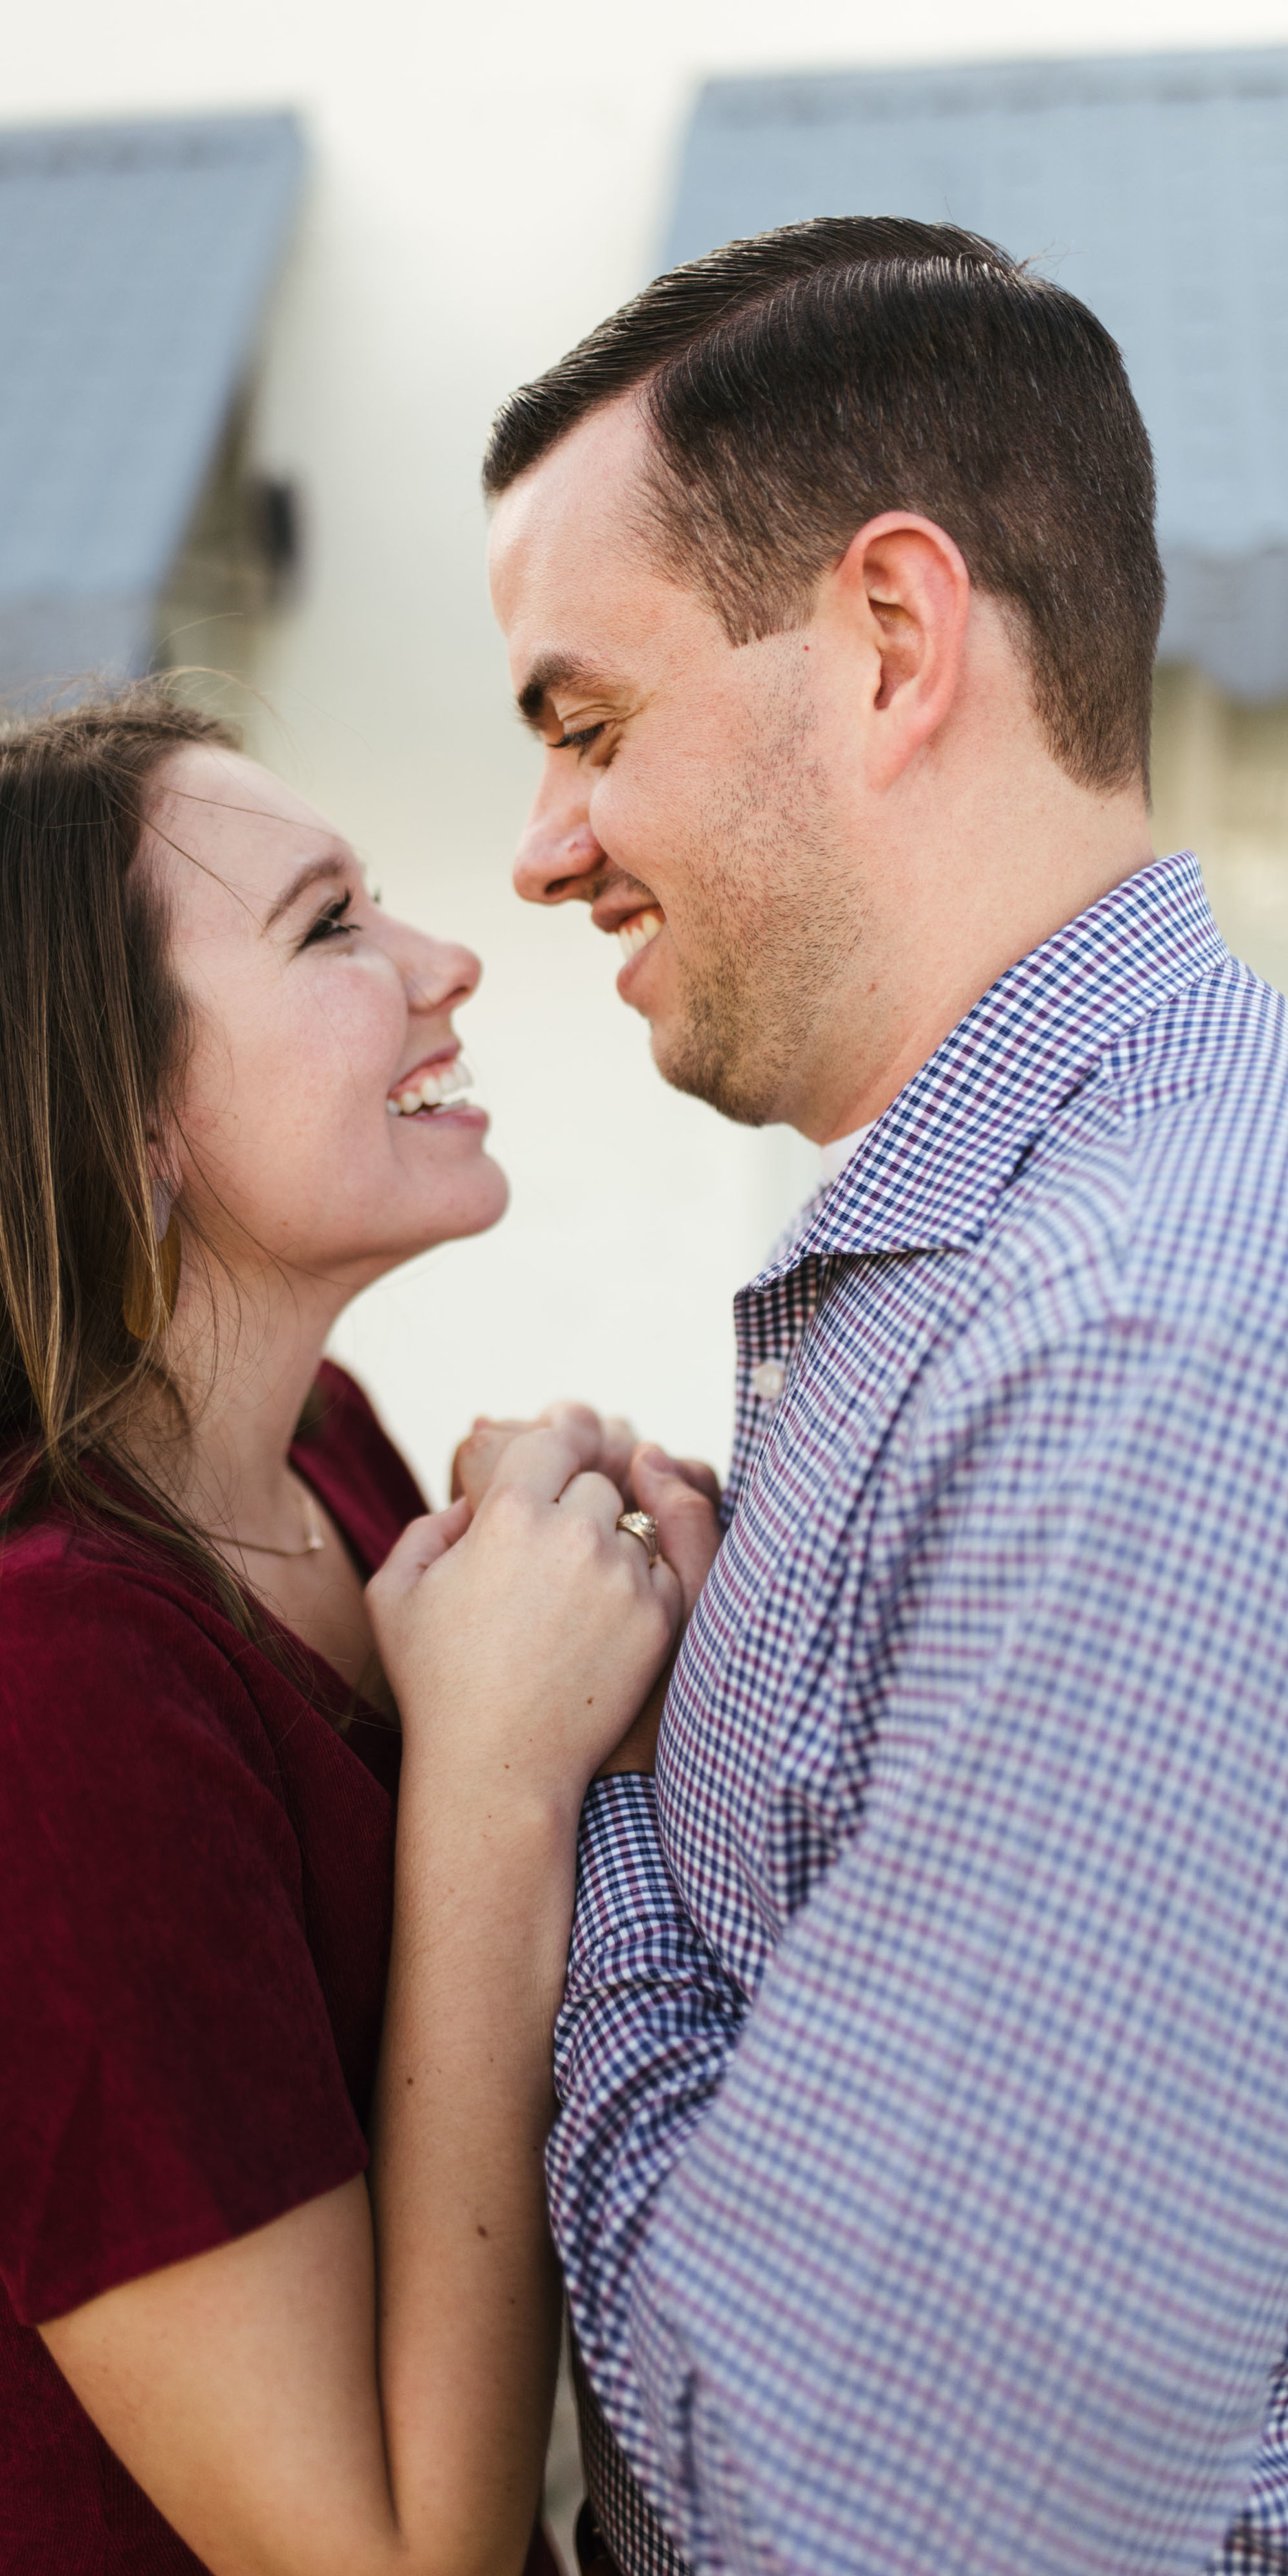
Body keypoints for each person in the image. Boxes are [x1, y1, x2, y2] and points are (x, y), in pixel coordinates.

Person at [406, 216, 1288, 2572]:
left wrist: (569, 1781)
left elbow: (849, 2512)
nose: (541, 846)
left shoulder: (1144, 1356)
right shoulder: (1004, 1262)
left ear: (890, 642)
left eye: (587, 725)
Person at [0, 689, 714, 2576]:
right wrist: (493, 1765)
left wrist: (605, 1650)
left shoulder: (321, 1450)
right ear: (116, 1112)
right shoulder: (10, 1698)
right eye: (330, 926)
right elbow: (389, 2559)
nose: (447, 959)